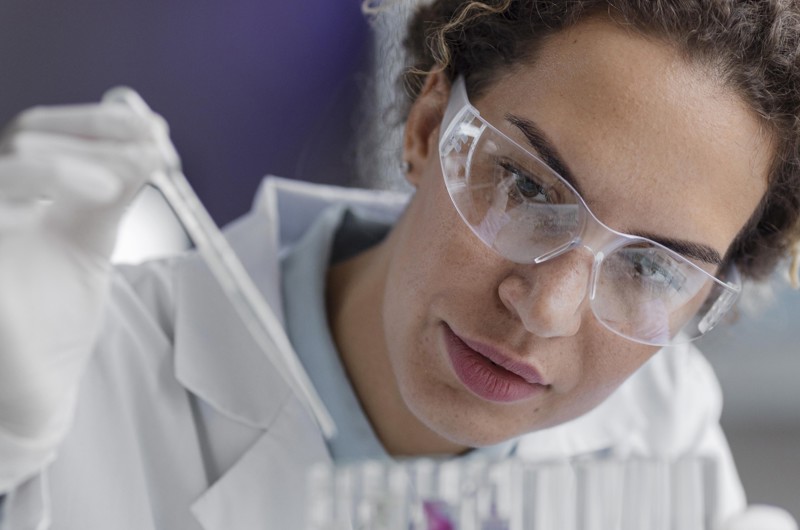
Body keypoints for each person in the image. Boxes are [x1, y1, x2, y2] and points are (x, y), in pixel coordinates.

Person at [1, 0, 799, 528]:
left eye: (654, 269)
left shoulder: (656, 423)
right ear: (425, 128)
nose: (546, 307)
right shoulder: (84, 376)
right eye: (526, 184)